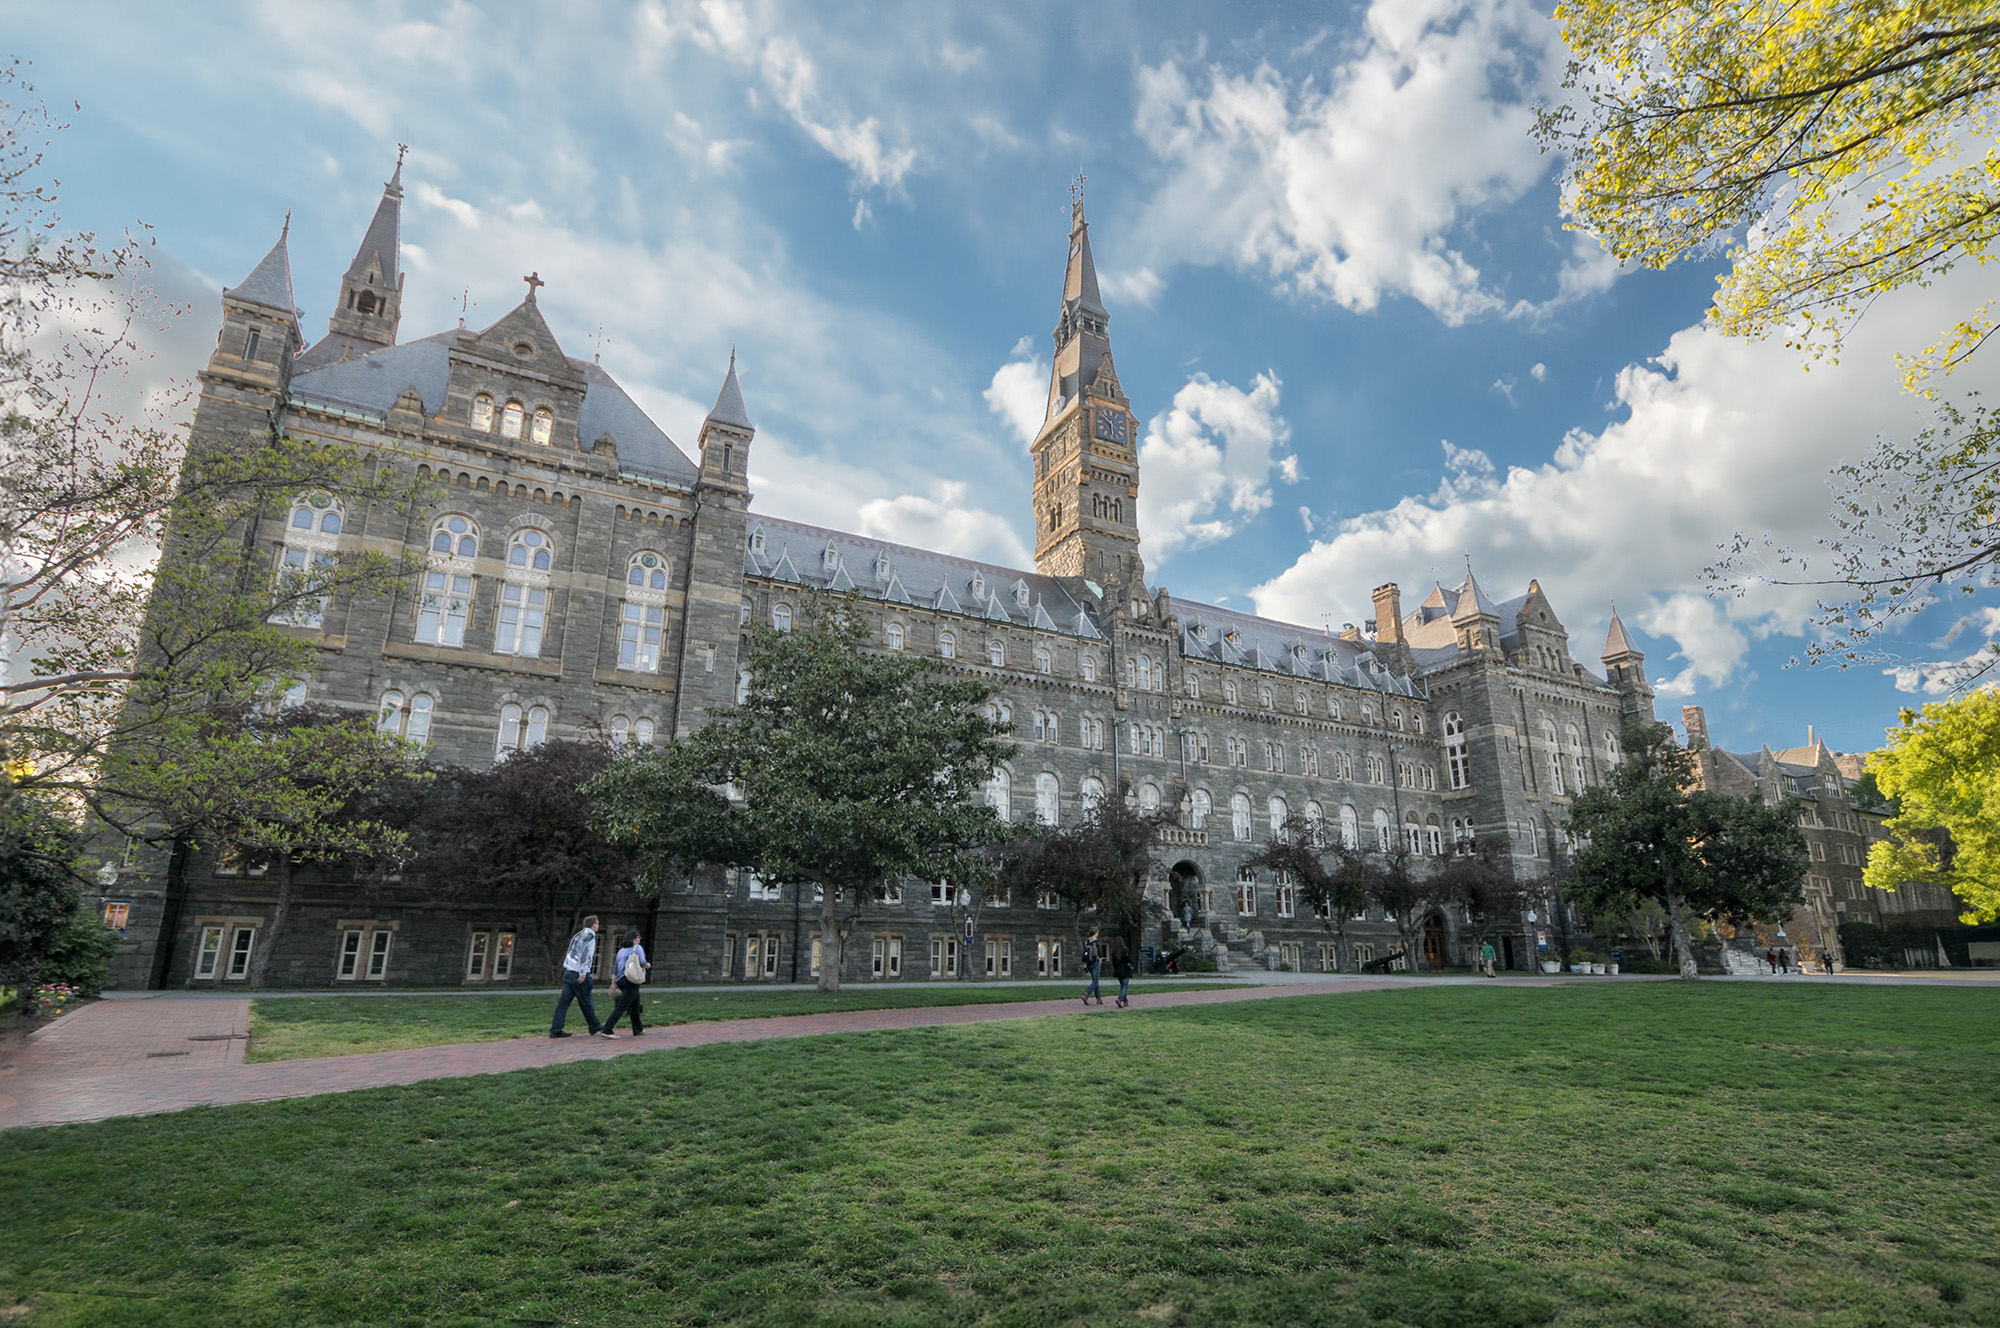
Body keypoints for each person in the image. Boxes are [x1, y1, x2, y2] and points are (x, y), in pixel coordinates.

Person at [550, 915, 605, 1038]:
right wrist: (583, 972)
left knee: (563, 1003)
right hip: (578, 973)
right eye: (597, 923)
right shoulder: (590, 936)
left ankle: (556, 1029)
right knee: (586, 1000)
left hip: (568, 971)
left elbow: (571, 952)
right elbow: (586, 954)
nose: (598, 925)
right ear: (593, 925)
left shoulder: (577, 935)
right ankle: (594, 1025)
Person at [602, 928, 649, 1037]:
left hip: (621, 980)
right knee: (622, 1006)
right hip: (632, 979)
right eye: (638, 937)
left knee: (635, 1004)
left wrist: (613, 984)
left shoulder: (621, 951)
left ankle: (638, 1029)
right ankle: (607, 1029)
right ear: (634, 939)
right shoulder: (637, 948)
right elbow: (642, 962)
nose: (639, 939)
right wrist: (647, 965)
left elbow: (616, 969)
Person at [1110, 933, 1134, 1007]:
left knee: (1123, 986)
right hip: (1125, 970)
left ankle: (1125, 1001)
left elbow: (1113, 962)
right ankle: (1120, 999)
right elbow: (1128, 960)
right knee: (1125, 986)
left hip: (1118, 971)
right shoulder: (1125, 950)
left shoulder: (1114, 952)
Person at [1081, 927, 1103, 1005]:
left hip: (1088, 963)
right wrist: (1099, 964)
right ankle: (1086, 994)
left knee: (1095, 981)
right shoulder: (1097, 942)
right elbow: (1100, 954)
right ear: (1096, 933)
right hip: (1095, 963)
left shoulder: (1086, 942)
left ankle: (1099, 999)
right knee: (1095, 981)